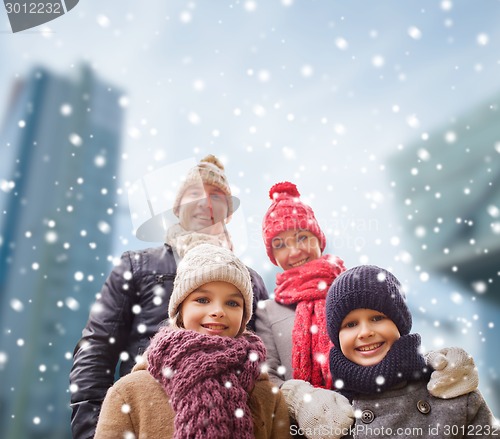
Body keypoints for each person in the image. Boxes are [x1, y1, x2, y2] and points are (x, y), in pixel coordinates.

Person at [255, 181, 481, 438]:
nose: (294, 251)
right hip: (311, 427)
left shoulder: (352, 287)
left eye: (301, 237)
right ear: (272, 255)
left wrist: (437, 366)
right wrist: (302, 399)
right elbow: (267, 378)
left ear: (318, 238)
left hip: (371, 405)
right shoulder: (268, 311)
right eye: (280, 244)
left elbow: (397, 338)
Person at [70, 155, 269, 439]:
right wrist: (94, 431)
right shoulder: (137, 265)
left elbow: (266, 361)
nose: (205, 202)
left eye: (216, 195)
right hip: (146, 418)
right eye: (194, 193)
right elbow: (97, 347)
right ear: (177, 207)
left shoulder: (251, 281)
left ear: (229, 212)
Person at [93, 243, 291, 439]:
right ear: (180, 309)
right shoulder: (129, 393)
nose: (218, 311)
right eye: (203, 300)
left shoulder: (268, 396)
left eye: (232, 303)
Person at [325, 265, 497, 439]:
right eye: (351, 324)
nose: (365, 332)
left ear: (400, 324)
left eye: (377, 318)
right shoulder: (330, 413)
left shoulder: (450, 389)